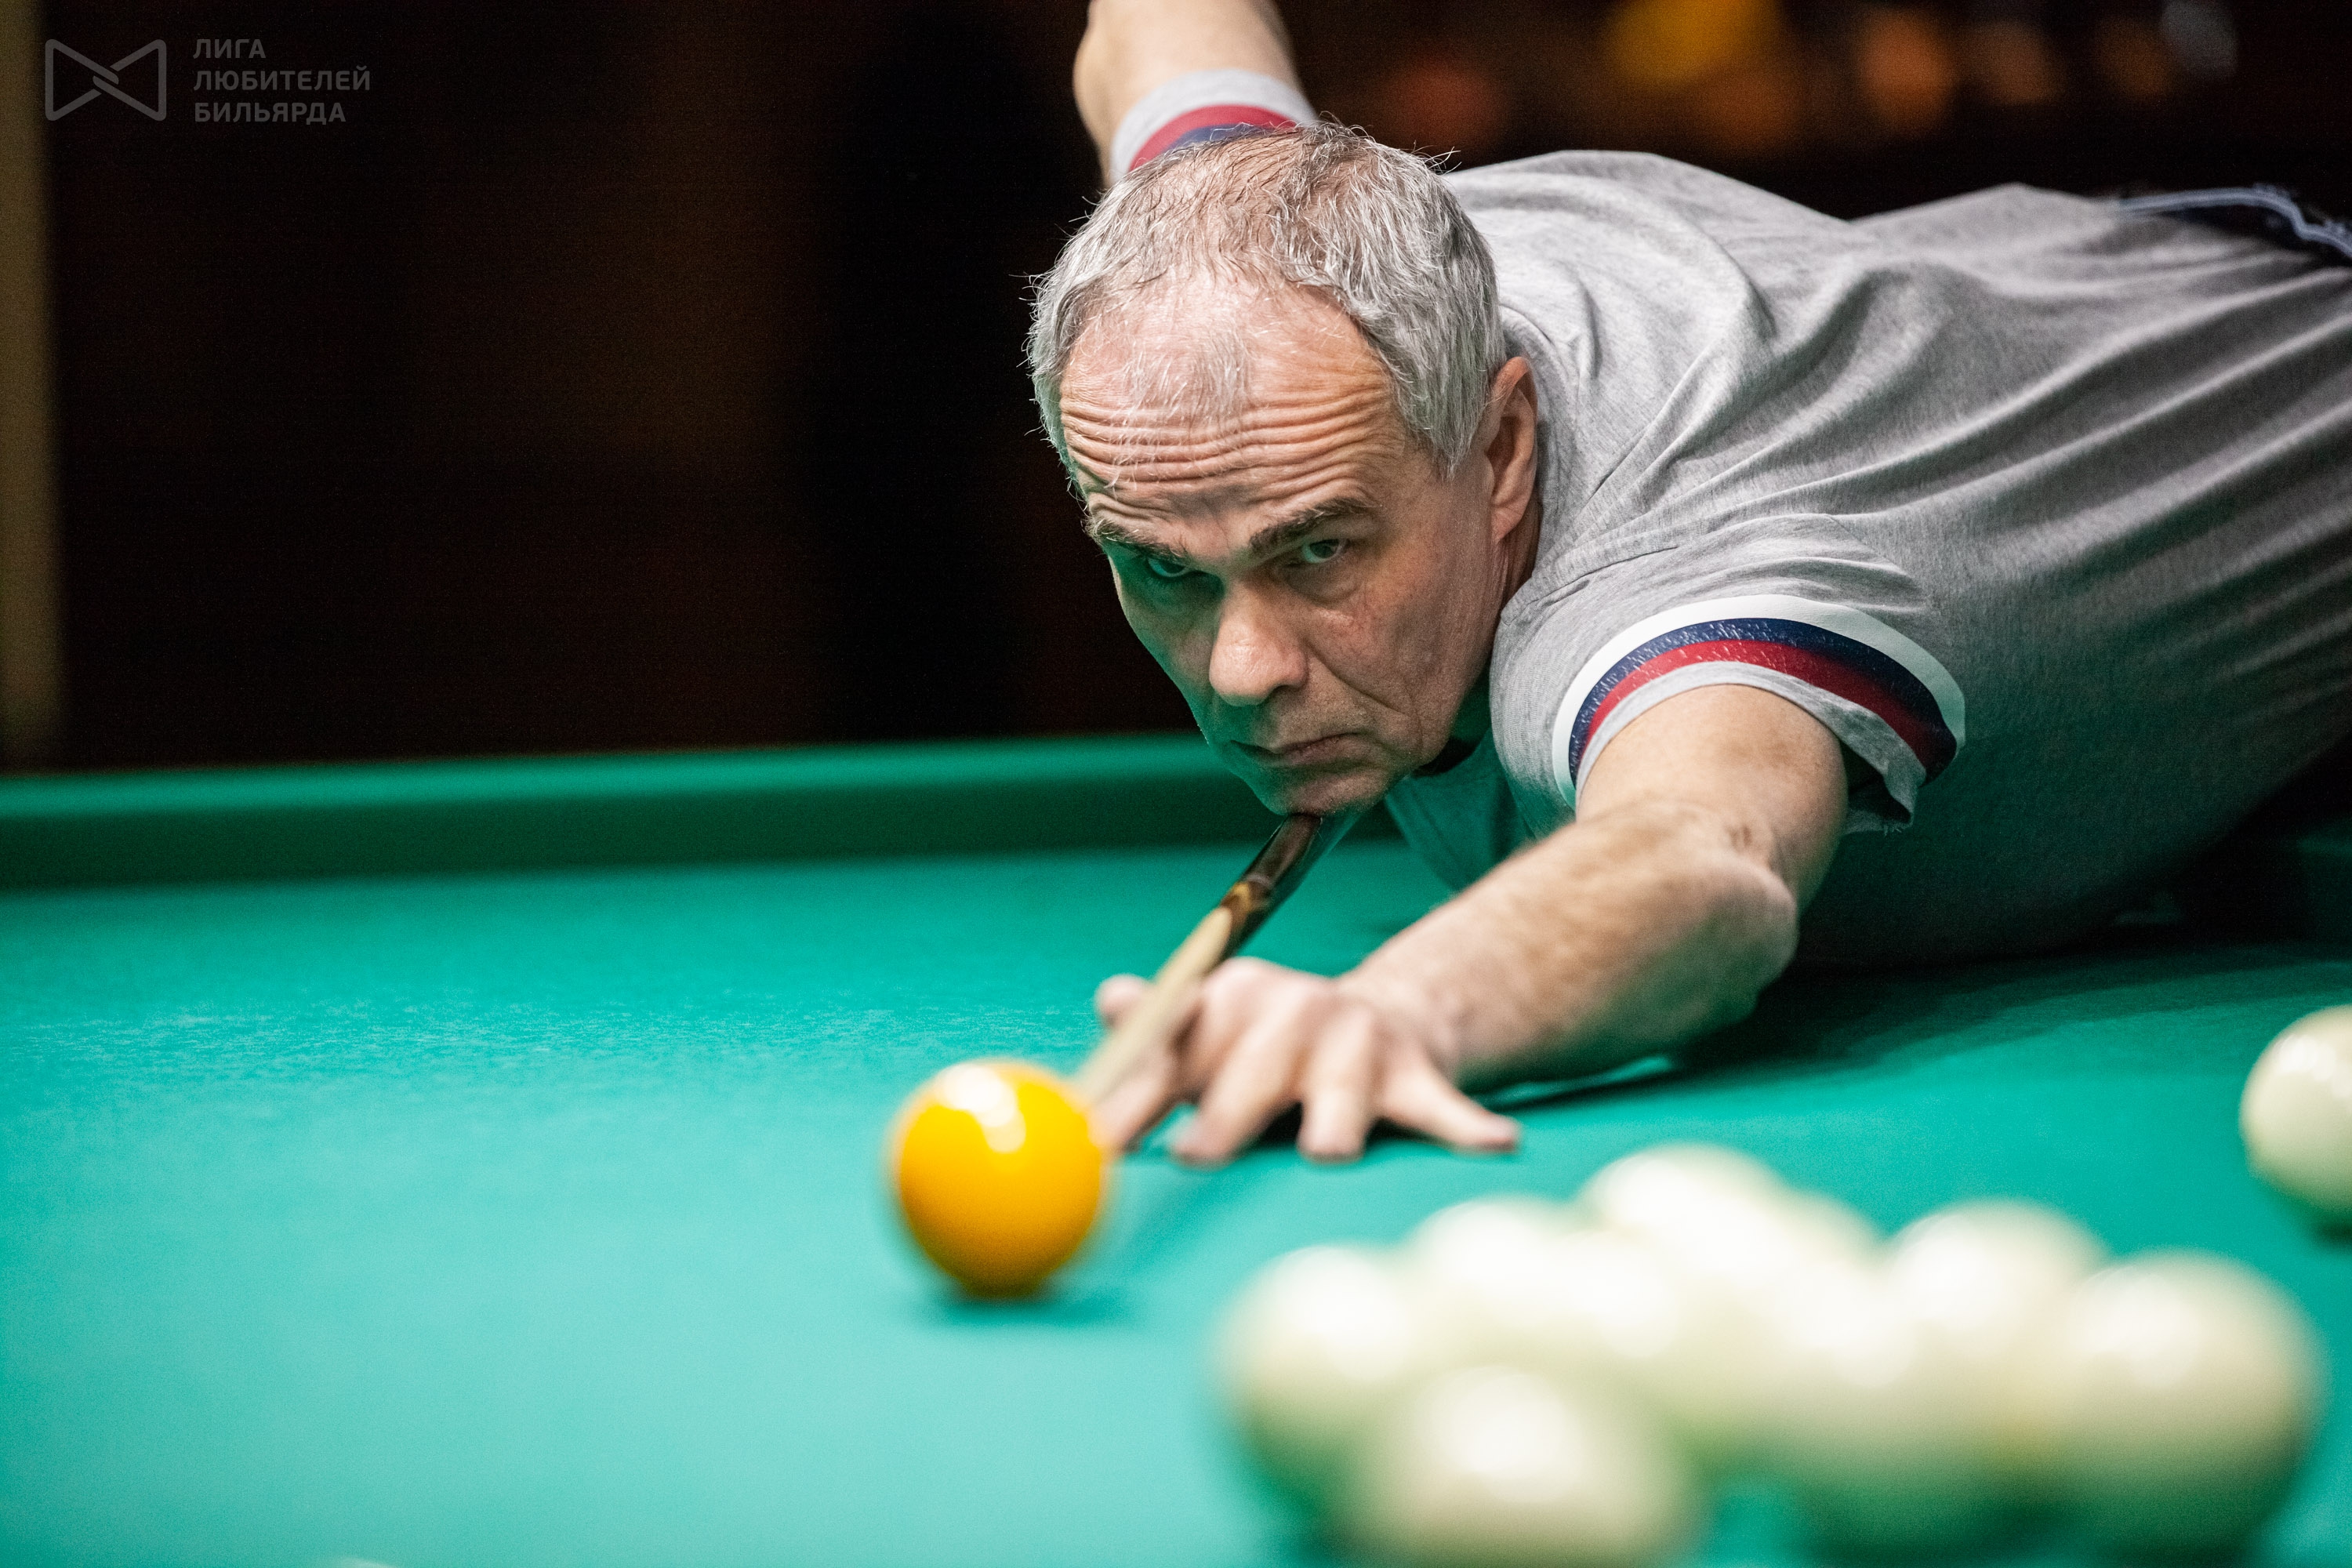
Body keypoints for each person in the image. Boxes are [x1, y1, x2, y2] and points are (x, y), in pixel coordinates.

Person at [1042, 0, 2352, 1167]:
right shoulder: (1256, 275)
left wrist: (1398, 1009)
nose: (1243, 672)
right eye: (1163, 569)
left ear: (1499, 452)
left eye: (1320, 549)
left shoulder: (1668, 580)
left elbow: (1703, 852)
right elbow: (1166, 26)